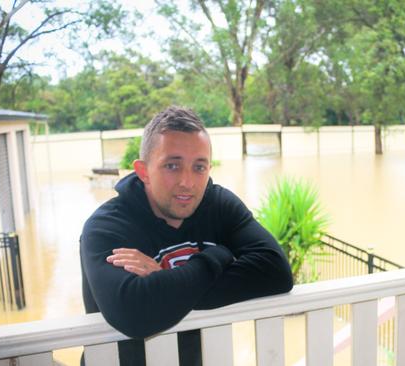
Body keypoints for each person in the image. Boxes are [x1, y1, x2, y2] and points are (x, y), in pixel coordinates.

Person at [79, 106, 294, 366]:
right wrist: (218, 255)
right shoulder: (106, 227)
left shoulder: (218, 205)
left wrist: (164, 284)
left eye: (199, 167)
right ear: (143, 171)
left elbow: (276, 272)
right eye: (172, 165)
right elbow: (135, 312)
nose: (188, 182)